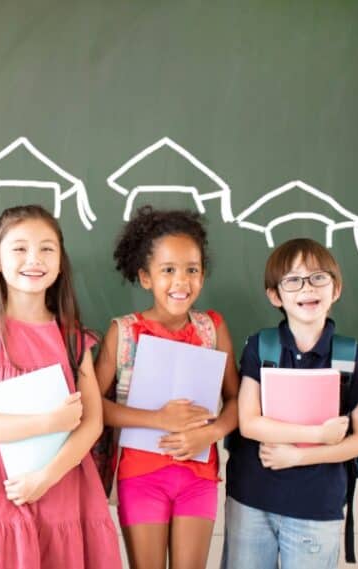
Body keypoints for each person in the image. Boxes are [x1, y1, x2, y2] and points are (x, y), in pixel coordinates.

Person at [0, 205, 121, 569]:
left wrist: (46, 477)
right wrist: (49, 422)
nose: (34, 259)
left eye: (46, 248)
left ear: (60, 262)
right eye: (19, 248)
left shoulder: (74, 340)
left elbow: (92, 422)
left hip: (64, 489)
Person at [94, 205, 239, 569]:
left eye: (192, 270)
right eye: (168, 270)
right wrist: (158, 419)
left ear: (203, 275)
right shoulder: (123, 333)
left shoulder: (212, 329)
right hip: (140, 476)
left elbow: (237, 398)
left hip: (198, 475)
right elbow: (94, 406)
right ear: (146, 277)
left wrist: (213, 432)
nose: (181, 282)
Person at [222, 238, 358, 568]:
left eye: (318, 277)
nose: (307, 287)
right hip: (251, 500)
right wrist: (319, 434)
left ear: (336, 289)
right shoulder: (260, 347)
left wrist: (299, 456)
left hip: (316, 507)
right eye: (293, 280)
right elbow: (249, 423)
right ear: (275, 295)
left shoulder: (351, 356)